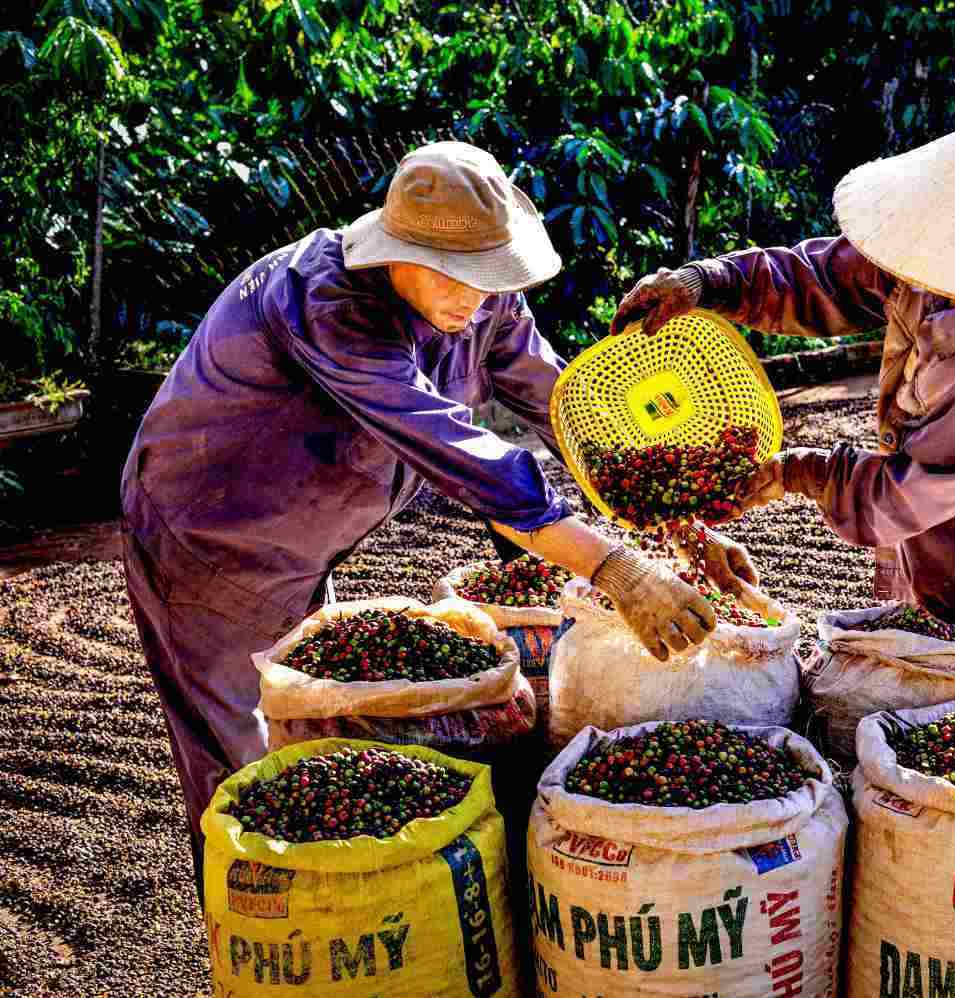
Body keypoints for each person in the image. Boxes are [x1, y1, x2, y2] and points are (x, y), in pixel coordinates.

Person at [119, 141, 751, 890]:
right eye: (460, 278)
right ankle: (261, 931)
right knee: (248, 767)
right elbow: (470, 462)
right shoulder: (328, 305)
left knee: (305, 726)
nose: (476, 299)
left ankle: (336, 919)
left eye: (492, 280)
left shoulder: (481, 296)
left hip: (311, 537)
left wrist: (676, 522)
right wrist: (617, 570)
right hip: (211, 538)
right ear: (396, 251)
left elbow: (563, 407)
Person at [611, 109, 955, 638]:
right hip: (921, 541)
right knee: (912, 659)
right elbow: (816, 277)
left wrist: (800, 472)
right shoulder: (933, 263)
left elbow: (908, 493)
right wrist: (707, 282)